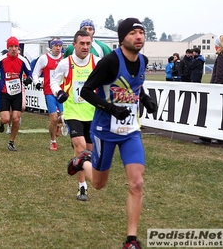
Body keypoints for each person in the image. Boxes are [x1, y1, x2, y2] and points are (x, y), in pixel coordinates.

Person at [69, 18, 157, 249]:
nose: (138, 37)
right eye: (133, 33)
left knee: (136, 183)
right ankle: (82, 161)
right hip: (105, 131)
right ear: (122, 38)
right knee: (98, 184)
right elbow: (87, 91)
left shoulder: (143, 61)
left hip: (130, 132)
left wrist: (145, 99)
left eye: (141, 32)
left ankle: (131, 240)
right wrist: (110, 108)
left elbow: (136, 85)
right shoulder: (109, 62)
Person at [50, 30, 101, 201]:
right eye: (82, 43)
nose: (85, 47)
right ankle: (82, 187)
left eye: (88, 43)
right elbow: (53, 81)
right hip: (73, 111)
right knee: (80, 147)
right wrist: (59, 92)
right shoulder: (66, 63)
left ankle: (77, 166)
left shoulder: (97, 62)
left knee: (88, 152)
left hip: (92, 112)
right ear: (74, 45)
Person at [0, 36, 32, 151]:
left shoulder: (23, 60)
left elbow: (30, 73)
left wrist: (29, 79)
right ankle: (1, 122)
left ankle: (11, 142)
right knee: (5, 118)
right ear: (7, 48)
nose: (14, 49)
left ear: (18, 47)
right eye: (11, 46)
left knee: (16, 119)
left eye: (16, 46)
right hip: (4, 92)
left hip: (17, 93)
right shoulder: (1, 59)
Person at [33, 37, 66, 151]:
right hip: (49, 92)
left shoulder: (65, 58)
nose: (58, 48)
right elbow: (35, 73)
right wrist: (37, 82)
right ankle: (53, 141)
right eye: (55, 45)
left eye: (60, 45)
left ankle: (57, 125)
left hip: (62, 92)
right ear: (51, 47)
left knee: (64, 117)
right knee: (53, 118)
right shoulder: (44, 58)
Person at [193, 35, 223, 145]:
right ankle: (220, 137)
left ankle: (205, 137)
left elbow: (219, 74)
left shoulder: (221, 57)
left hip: (218, 89)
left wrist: (215, 88)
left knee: (208, 112)